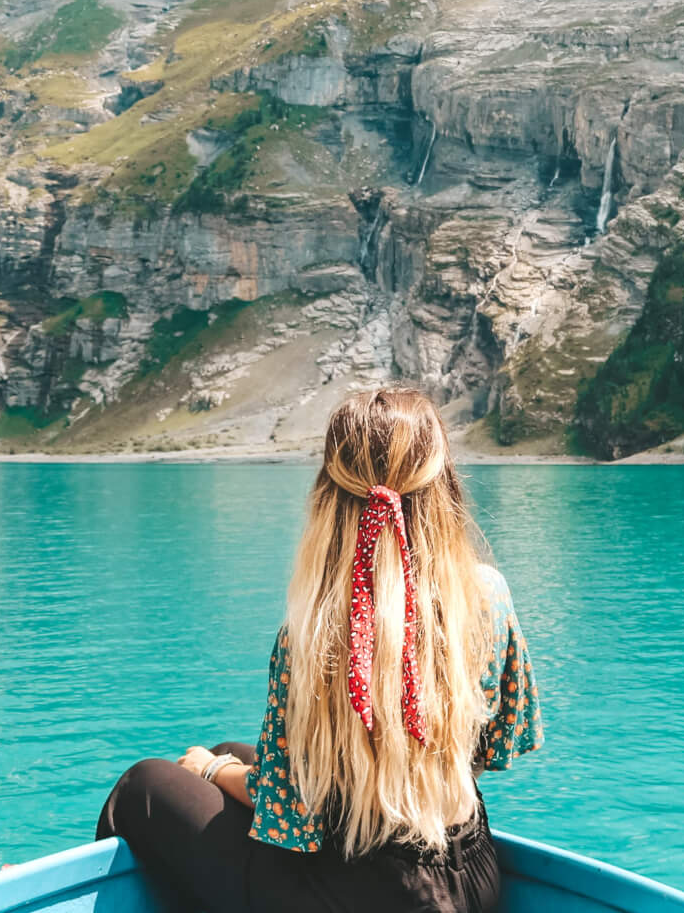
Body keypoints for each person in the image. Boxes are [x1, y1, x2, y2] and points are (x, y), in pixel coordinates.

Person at [96, 386, 543, 913]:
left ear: (329, 495)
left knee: (143, 786)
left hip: (357, 895)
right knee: (227, 748)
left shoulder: (315, 632)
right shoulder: (487, 594)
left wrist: (210, 772)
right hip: (473, 879)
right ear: (442, 486)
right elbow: (503, 742)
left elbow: (289, 813)